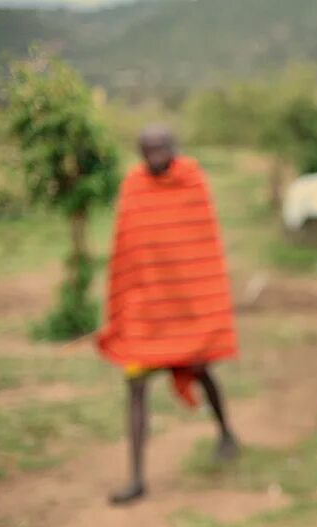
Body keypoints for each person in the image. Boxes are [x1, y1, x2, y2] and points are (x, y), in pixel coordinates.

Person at [97, 125, 239, 505]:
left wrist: (197, 308)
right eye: (148, 149)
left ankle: (226, 432)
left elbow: (199, 251)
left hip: (184, 309)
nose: (155, 155)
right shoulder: (133, 186)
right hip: (147, 314)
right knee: (136, 387)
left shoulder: (191, 182)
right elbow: (128, 252)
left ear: (174, 147)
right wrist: (126, 307)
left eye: (161, 147)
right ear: (140, 152)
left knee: (201, 371)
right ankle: (137, 478)